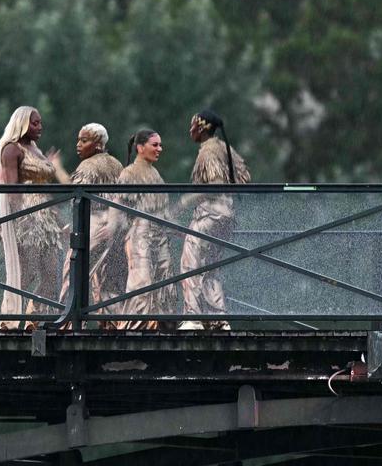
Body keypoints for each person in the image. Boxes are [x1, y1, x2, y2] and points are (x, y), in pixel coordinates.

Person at [0, 106, 67, 328]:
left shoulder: (35, 148)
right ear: (22, 123)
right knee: (25, 273)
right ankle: (9, 321)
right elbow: (12, 189)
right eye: (35, 123)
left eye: (40, 123)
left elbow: (43, 181)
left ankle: (33, 318)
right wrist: (21, 220)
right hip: (26, 217)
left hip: (46, 217)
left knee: (52, 272)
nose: (40, 127)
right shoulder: (11, 149)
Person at [180, 109, 250, 331]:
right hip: (227, 215)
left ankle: (193, 318)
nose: (190, 129)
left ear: (201, 127)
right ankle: (218, 318)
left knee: (190, 265)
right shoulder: (225, 148)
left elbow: (215, 182)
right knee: (211, 267)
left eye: (192, 124)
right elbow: (244, 177)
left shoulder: (207, 151)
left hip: (209, 215)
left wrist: (185, 200)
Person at [57, 123, 124, 327]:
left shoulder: (88, 165)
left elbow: (74, 190)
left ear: (97, 144)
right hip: (116, 223)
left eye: (84, 141)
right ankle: (113, 324)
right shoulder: (116, 164)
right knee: (108, 276)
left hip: (93, 221)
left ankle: (68, 323)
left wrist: (57, 167)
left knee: (73, 270)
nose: (78, 145)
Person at [116, 129, 178, 330]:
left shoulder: (155, 173)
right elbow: (120, 207)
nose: (160, 149)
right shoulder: (129, 173)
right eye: (155, 145)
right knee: (141, 279)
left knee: (164, 277)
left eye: (160, 145)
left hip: (160, 232)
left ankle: (162, 323)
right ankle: (135, 326)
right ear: (140, 148)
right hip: (139, 232)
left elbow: (163, 207)